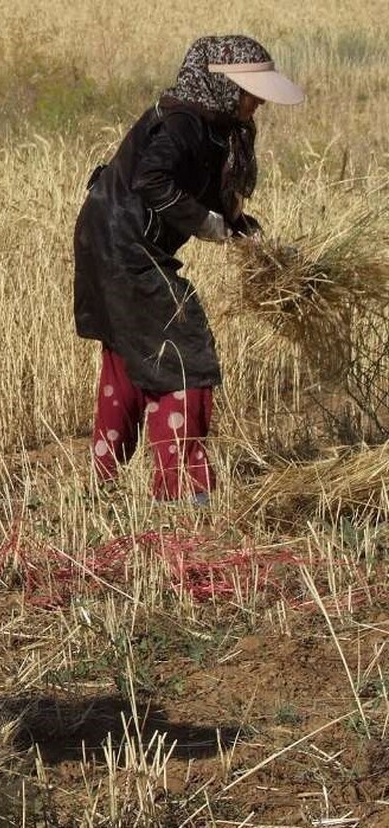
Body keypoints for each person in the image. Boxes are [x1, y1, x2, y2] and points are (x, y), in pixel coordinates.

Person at [73, 35, 304, 502]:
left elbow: (217, 202)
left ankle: (103, 480)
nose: (257, 100)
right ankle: (184, 492)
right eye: (249, 90)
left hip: (110, 239)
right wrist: (204, 224)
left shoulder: (216, 125)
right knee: (183, 355)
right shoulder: (183, 122)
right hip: (124, 247)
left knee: (129, 354)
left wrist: (252, 240)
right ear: (222, 85)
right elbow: (150, 179)